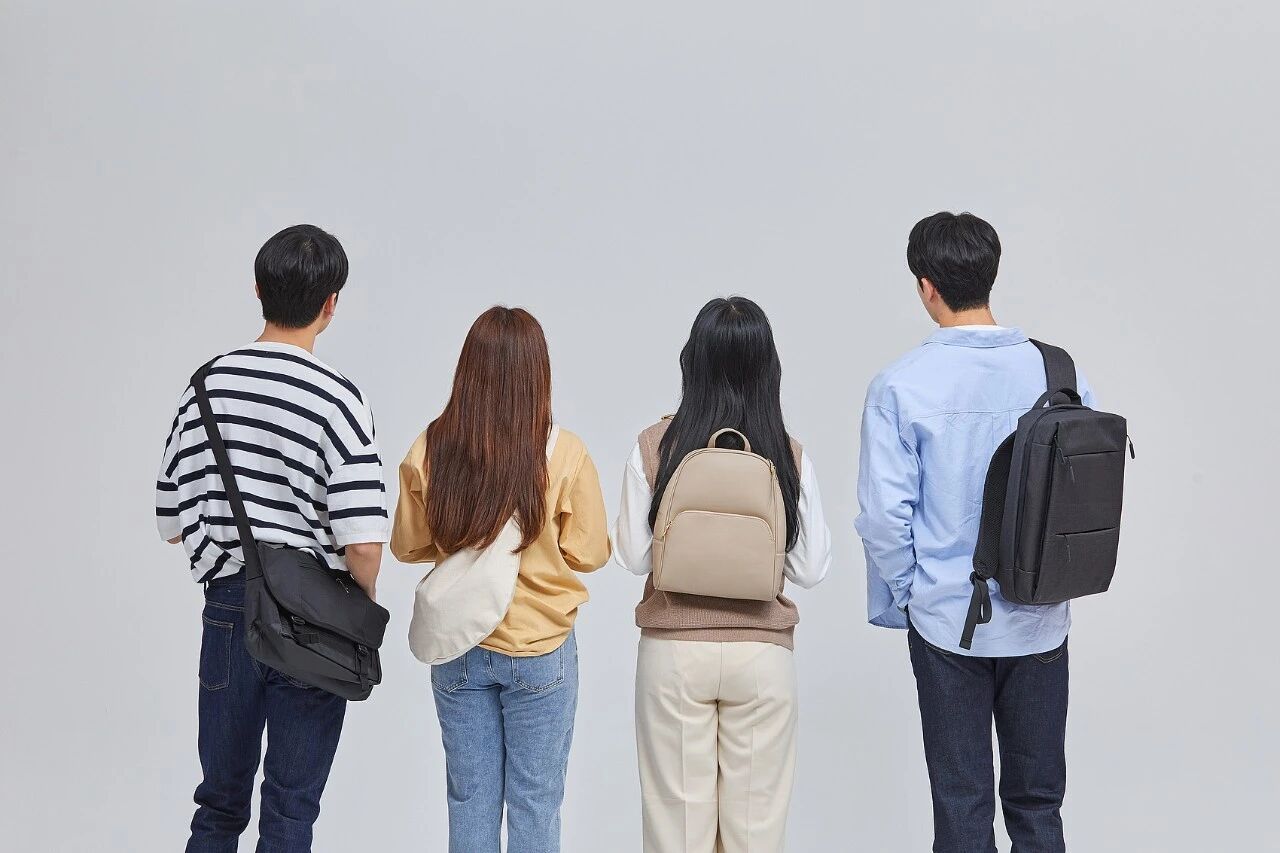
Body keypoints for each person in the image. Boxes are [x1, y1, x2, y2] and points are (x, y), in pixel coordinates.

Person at [856, 212, 1096, 853]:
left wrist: (912, 594)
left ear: (925, 286)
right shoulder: (1059, 374)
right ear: (991, 275)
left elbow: (883, 518)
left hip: (945, 620)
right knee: (1039, 807)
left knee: (961, 809)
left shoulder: (900, 385)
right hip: (1042, 618)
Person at [155, 224, 389, 852]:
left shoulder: (204, 387)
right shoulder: (339, 399)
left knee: (218, 805)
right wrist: (357, 605)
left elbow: (169, 521)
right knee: (290, 814)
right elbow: (364, 542)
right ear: (331, 303)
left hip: (228, 612)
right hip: (317, 621)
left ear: (257, 289)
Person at [613, 296, 832, 853]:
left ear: (692, 360)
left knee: (677, 833)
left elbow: (634, 557)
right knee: (755, 836)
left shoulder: (654, 445)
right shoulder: (788, 454)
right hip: (762, 657)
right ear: (768, 367)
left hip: (673, 654)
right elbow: (810, 568)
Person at [391, 306, 611, 853]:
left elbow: (408, 545)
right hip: (540, 649)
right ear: (539, 373)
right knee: (536, 803)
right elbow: (589, 554)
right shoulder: (565, 453)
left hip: (460, 647)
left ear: (468, 371)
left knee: (470, 800)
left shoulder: (431, 446)